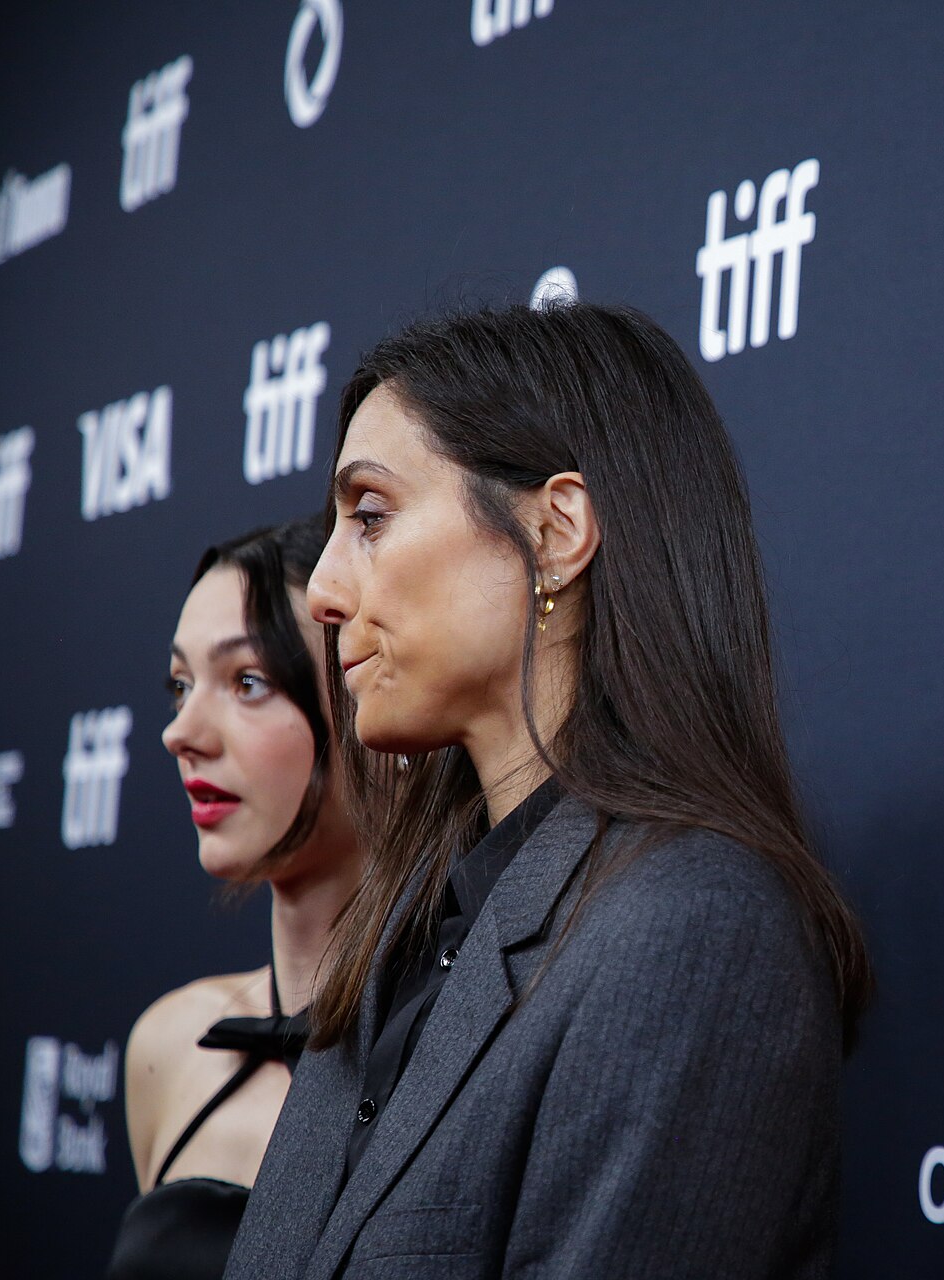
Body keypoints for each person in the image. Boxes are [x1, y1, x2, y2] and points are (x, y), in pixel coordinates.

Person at [225, 302, 870, 1279]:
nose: (321, 588)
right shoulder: (404, 922)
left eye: (370, 515)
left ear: (556, 528)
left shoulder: (694, 930)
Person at [108, 516, 363, 1280]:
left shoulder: (463, 1053)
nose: (180, 733)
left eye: (248, 682)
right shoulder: (171, 1047)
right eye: (180, 686)